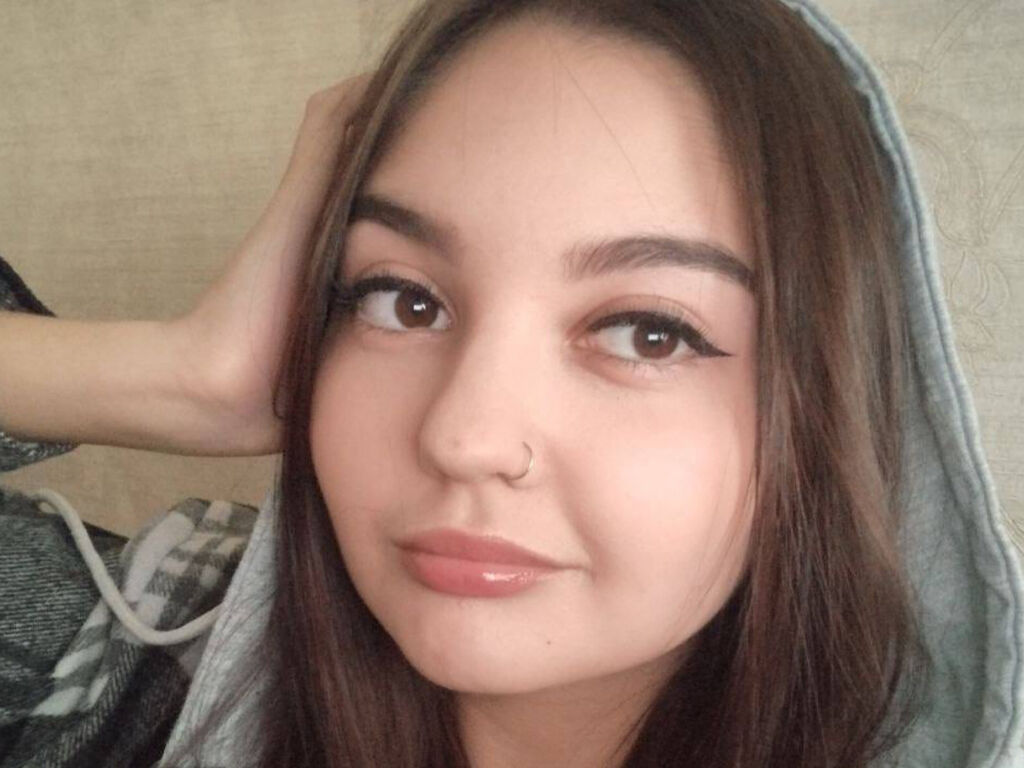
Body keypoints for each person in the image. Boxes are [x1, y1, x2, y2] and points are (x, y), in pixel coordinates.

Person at [1, 0, 1022, 766]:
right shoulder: (132, 664)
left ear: (822, 403)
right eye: (403, 300)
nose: (465, 436)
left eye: (648, 332)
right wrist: (186, 378)